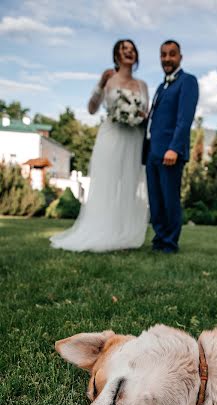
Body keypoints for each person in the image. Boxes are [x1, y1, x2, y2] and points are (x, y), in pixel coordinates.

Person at [50, 40, 149, 252]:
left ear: (136, 56)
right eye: (124, 50)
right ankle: (103, 231)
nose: (129, 53)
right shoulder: (109, 79)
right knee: (108, 182)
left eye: (132, 50)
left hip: (134, 138)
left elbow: (146, 113)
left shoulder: (142, 85)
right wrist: (99, 84)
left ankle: (124, 234)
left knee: (129, 185)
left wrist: (138, 116)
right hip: (111, 135)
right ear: (116, 56)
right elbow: (92, 108)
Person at [144, 40, 199, 253]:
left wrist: (174, 148)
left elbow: (185, 119)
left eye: (172, 54)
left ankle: (169, 242)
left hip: (170, 152)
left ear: (180, 57)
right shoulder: (161, 86)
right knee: (155, 200)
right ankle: (159, 239)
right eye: (163, 54)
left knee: (169, 200)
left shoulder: (188, 81)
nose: (167, 58)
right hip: (152, 152)